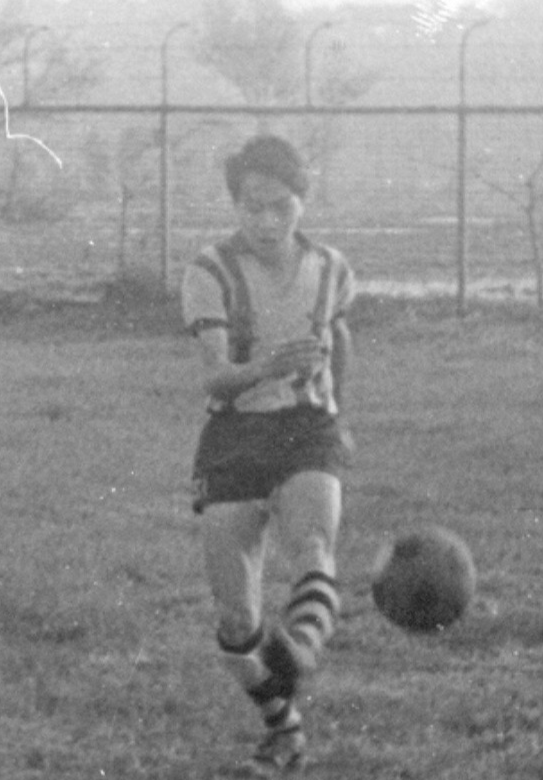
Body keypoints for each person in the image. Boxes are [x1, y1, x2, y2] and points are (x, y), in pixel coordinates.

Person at [179, 134, 354, 775]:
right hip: (235, 437)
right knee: (236, 622)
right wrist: (267, 367)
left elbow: (340, 337)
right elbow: (215, 378)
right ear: (236, 206)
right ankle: (285, 729)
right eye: (252, 206)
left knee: (313, 545)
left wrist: (340, 415)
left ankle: (301, 644)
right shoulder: (210, 270)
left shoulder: (330, 268)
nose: (267, 220)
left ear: (302, 202)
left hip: (307, 428)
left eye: (281, 205)